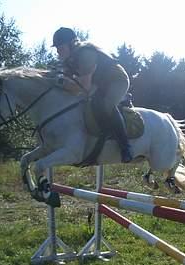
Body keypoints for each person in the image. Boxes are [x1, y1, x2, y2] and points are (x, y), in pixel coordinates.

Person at [51, 27, 133, 163]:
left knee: (107, 105)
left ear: (71, 44)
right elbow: (68, 82)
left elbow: (83, 86)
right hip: (99, 83)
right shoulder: (69, 59)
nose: (58, 51)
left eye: (60, 47)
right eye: (57, 48)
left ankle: (125, 147)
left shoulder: (85, 54)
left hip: (117, 80)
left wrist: (60, 82)